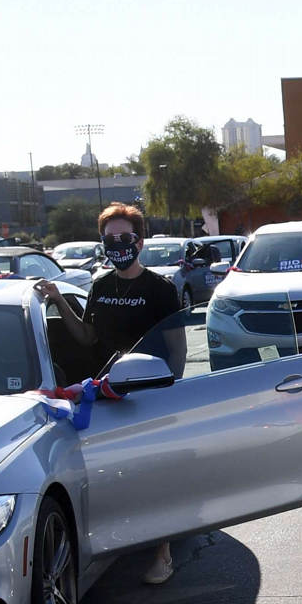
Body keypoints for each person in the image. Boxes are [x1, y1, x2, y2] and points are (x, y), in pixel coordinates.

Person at [34, 202, 184, 583]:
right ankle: (120, 538)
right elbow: (87, 336)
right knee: (116, 472)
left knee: (153, 474)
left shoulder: (161, 289)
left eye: (124, 237)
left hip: (147, 394)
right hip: (104, 394)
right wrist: (59, 300)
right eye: (109, 238)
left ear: (139, 242)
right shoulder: (100, 286)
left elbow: (177, 349)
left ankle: (163, 553)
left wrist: (170, 392)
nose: (117, 244)